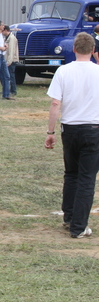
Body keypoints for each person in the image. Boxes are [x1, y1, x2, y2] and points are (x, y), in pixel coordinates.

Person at [45, 32, 99, 238]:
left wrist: (50, 132)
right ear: (93, 51)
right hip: (93, 129)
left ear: (74, 49)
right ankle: (78, 227)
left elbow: (55, 103)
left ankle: (69, 217)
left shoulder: (63, 71)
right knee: (86, 178)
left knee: (72, 174)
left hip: (70, 129)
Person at [3, 25, 19, 97]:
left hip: (12, 60)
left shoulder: (12, 38)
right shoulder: (6, 38)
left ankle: (13, 90)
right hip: (8, 59)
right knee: (8, 75)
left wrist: (9, 61)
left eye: (3, 31)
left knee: (11, 76)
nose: (2, 32)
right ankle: (9, 89)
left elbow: (11, 50)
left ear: (6, 30)